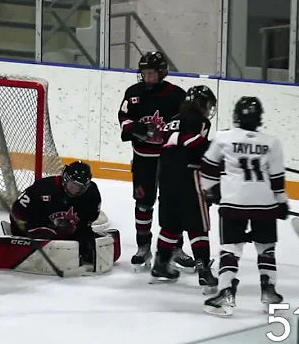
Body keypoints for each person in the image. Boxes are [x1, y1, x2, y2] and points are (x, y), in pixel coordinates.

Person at [199, 96, 288, 317]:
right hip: (264, 202)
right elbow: (277, 177)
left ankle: (226, 295)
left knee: (230, 249)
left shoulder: (223, 138)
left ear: (237, 116)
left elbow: (208, 167)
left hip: (234, 201)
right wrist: (282, 202)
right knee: (266, 248)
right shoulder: (272, 142)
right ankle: (269, 292)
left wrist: (210, 190)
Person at [117, 51, 195, 272]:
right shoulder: (133, 93)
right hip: (143, 159)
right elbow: (123, 116)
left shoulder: (177, 95)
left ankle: (176, 248)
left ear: (162, 72)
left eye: (152, 73)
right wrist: (134, 128)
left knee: (173, 204)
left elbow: (186, 124)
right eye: (144, 73)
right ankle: (143, 246)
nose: (148, 77)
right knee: (143, 202)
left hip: (170, 160)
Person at [0, 161, 121, 275]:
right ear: (64, 179)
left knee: (87, 241)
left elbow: (88, 221)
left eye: (80, 188)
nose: (75, 191)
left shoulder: (91, 193)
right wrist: (22, 232)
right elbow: (17, 211)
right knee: (47, 234)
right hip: (36, 226)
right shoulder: (43, 188)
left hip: (67, 232)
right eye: (72, 186)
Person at [152, 85, 218, 294]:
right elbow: (198, 150)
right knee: (198, 225)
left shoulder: (172, 119)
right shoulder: (201, 122)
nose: (209, 110)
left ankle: (161, 264)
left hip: (165, 177)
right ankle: (203, 269)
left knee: (171, 224)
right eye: (208, 105)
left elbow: (164, 141)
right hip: (189, 177)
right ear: (202, 104)